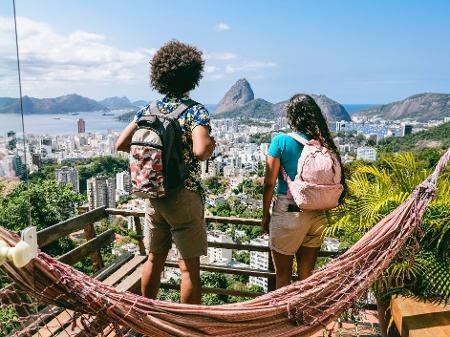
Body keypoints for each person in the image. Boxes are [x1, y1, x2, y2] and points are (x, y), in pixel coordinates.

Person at [115, 40, 215, 304]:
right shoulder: (195, 111)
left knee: (154, 258)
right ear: (192, 76)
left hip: (153, 193)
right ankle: (187, 328)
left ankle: (149, 319)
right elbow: (201, 150)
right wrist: (210, 145)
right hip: (183, 194)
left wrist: (153, 162)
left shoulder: (147, 110)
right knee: (189, 268)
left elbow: (121, 144)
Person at [261, 94, 346, 289]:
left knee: (282, 277)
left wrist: (265, 215)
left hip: (292, 209)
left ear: (292, 117)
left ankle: (282, 319)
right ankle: (302, 318)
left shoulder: (281, 141)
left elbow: (269, 183)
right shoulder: (323, 143)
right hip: (318, 213)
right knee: (306, 278)